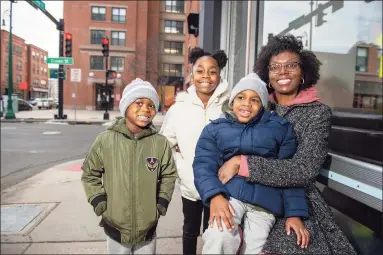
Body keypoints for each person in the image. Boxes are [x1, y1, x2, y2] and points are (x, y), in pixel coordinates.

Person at [217, 34, 357, 254]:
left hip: (296, 200)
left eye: (291, 65)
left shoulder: (317, 113)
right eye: (275, 67)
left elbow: (303, 170)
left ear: (303, 71)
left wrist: (242, 164)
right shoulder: (256, 105)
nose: (282, 72)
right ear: (267, 74)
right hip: (243, 194)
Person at [193, 73, 310, 254]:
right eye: (241, 97)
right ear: (232, 102)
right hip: (230, 195)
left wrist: (294, 213)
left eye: (255, 100)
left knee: (256, 247)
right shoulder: (215, 129)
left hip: (265, 202)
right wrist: (215, 197)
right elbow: (203, 165)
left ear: (263, 105)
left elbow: (290, 173)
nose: (246, 103)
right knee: (219, 234)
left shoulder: (280, 128)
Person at [81, 78, 177, 254]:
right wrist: (98, 201)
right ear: (126, 106)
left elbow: (169, 175)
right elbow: (89, 174)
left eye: (151, 105)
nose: (145, 109)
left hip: (148, 226)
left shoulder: (159, 143)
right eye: (139, 102)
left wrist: (162, 202)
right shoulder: (105, 140)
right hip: (115, 225)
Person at [160, 47, 230, 255]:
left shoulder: (229, 106)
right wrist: (181, 168)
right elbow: (165, 143)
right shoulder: (179, 108)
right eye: (200, 70)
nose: (206, 76)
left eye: (212, 71)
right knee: (190, 230)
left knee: (214, 231)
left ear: (219, 74)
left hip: (220, 186)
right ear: (192, 73)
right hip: (190, 185)